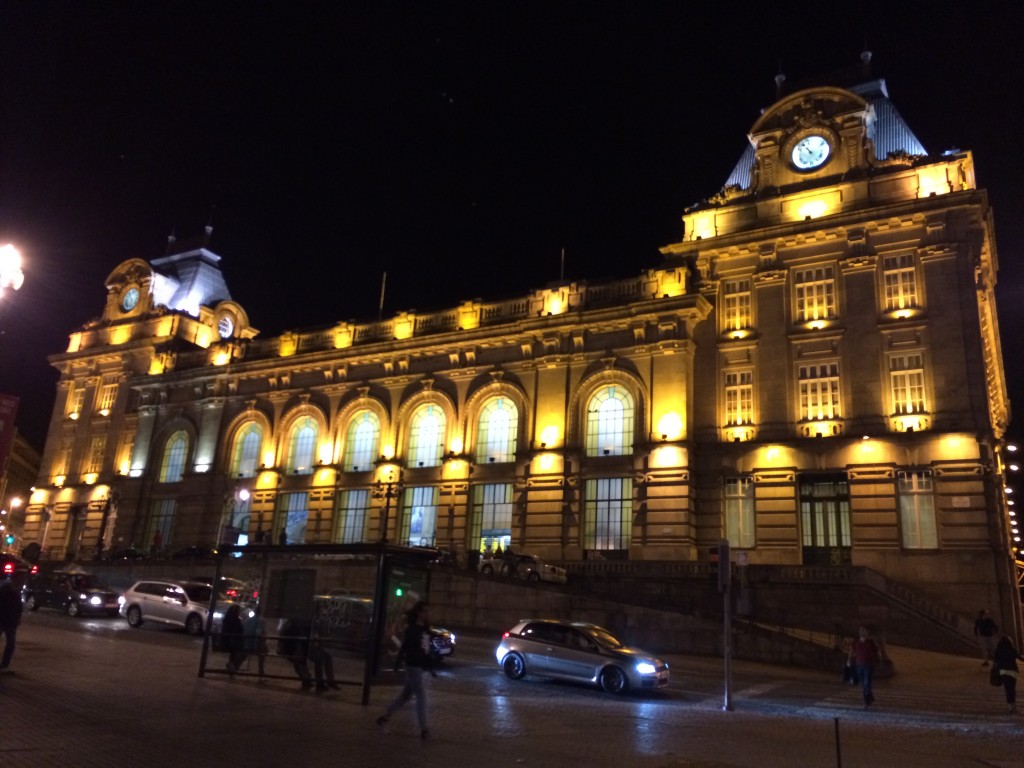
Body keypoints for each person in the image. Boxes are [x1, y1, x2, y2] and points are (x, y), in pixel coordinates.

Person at [377, 601, 436, 739]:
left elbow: (426, 649)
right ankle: (424, 728)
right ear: (419, 613)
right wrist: (397, 666)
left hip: (418, 665)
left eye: (429, 611)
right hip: (413, 665)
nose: (428, 614)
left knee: (406, 695)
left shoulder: (425, 629)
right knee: (421, 696)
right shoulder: (412, 629)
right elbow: (405, 648)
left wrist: (430, 666)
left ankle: (385, 717)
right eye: (425, 611)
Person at [848, 625, 880, 708]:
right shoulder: (856, 642)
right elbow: (852, 651)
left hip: (868, 665)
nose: (862, 633)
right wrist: (848, 660)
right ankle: (870, 697)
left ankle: (866, 702)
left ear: (866, 633)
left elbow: (876, 651)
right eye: (861, 631)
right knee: (863, 683)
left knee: (866, 683)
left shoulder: (870, 642)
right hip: (859, 665)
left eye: (864, 631)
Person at [0, 572, 26, 671]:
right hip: (3, 618)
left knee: (11, 643)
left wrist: (18, 618)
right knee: (10, 642)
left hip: (11, 621)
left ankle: (5, 664)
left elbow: (18, 606)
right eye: (22, 578)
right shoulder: (6, 589)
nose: (23, 581)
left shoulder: (17, 590)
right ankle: (5, 664)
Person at [992, 635, 1024, 713]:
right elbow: (1019, 658)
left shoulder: (998, 650)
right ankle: (1013, 705)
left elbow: (995, 661)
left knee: (1007, 689)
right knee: (1012, 689)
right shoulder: (1012, 649)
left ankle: (1010, 706)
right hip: (1012, 671)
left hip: (1003, 671)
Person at [278, 617, 313, 689]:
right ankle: (307, 680)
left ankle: (306, 681)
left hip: (296, 647)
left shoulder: (293, 623)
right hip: (296, 647)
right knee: (300, 665)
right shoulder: (295, 623)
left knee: (299, 665)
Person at [242, 607, 269, 681]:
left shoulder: (248, 620)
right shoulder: (261, 620)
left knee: (244, 655)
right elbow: (259, 631)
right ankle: (261, 674)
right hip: (258, 642)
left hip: (248, 641)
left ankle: (234, 667)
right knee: (261, 658)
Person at [221, 603, 246, 677]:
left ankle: (232, 668)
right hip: (232, 642)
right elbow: (239, 631)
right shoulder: (235, 620)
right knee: (244, 652)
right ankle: (233, 667)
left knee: (235, 653)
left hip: (226, 641)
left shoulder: (226, 619)